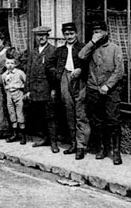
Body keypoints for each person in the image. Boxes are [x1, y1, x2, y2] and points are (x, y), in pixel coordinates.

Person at [79, 20, 124, 165]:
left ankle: (116, 152)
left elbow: (119, 71)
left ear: (106, 33)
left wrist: (108, 85)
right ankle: (102, 148)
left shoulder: (115, 48)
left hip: (111, 91)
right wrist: (92, 41)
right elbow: (80, 56)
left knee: (113, 120)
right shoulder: (91, 47)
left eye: (99, 32)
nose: (97, 35)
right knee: (97, 121)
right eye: (94, 32)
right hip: (93, 89)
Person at [53, 22, 90, 160]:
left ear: (76, 34)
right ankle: (73, 143)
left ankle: (81, 146)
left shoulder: (83, 47)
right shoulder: (60, 50)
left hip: (80, 81)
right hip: (65, 78)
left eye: (71, 34)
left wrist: (81, 70)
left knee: (80, 113)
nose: (69, 36)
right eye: (66, 34)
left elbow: (90, 64)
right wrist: (58, 74)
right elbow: (50, 64)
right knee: (69, 111)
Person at [24, 26, 59, 153]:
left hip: (48, 89)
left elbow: (56, 74)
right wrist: (27, 89)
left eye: (44, 35)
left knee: (51, 115)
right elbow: (28, 71)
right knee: (40, 115)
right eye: (39, 36)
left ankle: (54, 142)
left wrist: (54, 89)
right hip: (35, 89)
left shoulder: (53, 51)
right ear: (35, 37)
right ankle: (45, 138)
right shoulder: (33, 52)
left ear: (47, 36)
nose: (41, 38)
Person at [3, 57, 28, 144]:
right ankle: (14, 134)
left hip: (18, 93)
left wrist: (26, 92)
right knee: (12, 114)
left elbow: (26, 82)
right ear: (5, 64)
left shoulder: (19, 73)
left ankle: (23, 136)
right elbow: (4, 86)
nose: (10, 65)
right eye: (8, 63)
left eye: (12, 63)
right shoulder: (4, 75)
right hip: (9, 94)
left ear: (15, 64)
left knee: (20, 113)